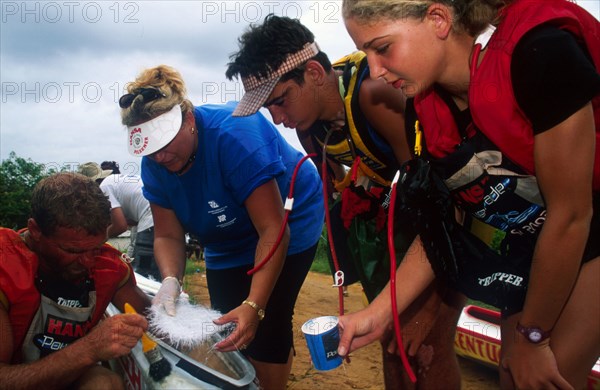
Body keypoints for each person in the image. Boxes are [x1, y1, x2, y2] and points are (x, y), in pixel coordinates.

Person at [338, 0, 600, 389]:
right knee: (514, 375)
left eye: (383, 48)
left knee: (547, 375)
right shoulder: (422, 109)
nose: (374, 71)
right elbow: (446, 223)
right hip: (534, 243)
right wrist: (377, 314)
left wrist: (534, 335)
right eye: (366, 54)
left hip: (584, 226)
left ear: (438, 19)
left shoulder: (539, 53)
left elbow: (572, 215)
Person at [225, 14, 464, 389]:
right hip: (394, 226)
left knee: (426, 344)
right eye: (268, 108)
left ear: (316, 74)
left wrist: (437, 303)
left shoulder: (374, 95)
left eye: (280, 101)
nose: (277, 118)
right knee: (391, 339)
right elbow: (344, 190)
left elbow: (440, 200)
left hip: (446, 223)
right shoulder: (311, 130)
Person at [119, 64, 324, 389]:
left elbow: (272, 229)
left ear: (188, 120)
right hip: (224, 237)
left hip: (288, 220)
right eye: (150, 149)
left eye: (164, 144)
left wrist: (255, 305)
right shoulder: (155, 165)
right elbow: (168, 234)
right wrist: (171, 279)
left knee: (267, 319)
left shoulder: (235, 136)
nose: (158, 157)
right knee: (228, 324)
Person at [0, 172, 150, 389]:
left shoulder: (109, 268)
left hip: (70, 376)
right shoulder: (5, 266)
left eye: (96, 248)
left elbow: (155, 320)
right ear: (35, 231)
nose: (89, 262)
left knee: (104, 382)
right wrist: (89, 348)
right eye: (72, 250)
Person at [78, 162, 160, 280]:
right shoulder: (114, 181)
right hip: (160, 210)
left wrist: (99, 240)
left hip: (151, 215)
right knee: (154, 267)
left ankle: (153, 296)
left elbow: (121, 226)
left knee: (144, 272)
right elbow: (130, 220)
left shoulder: (103, 188)